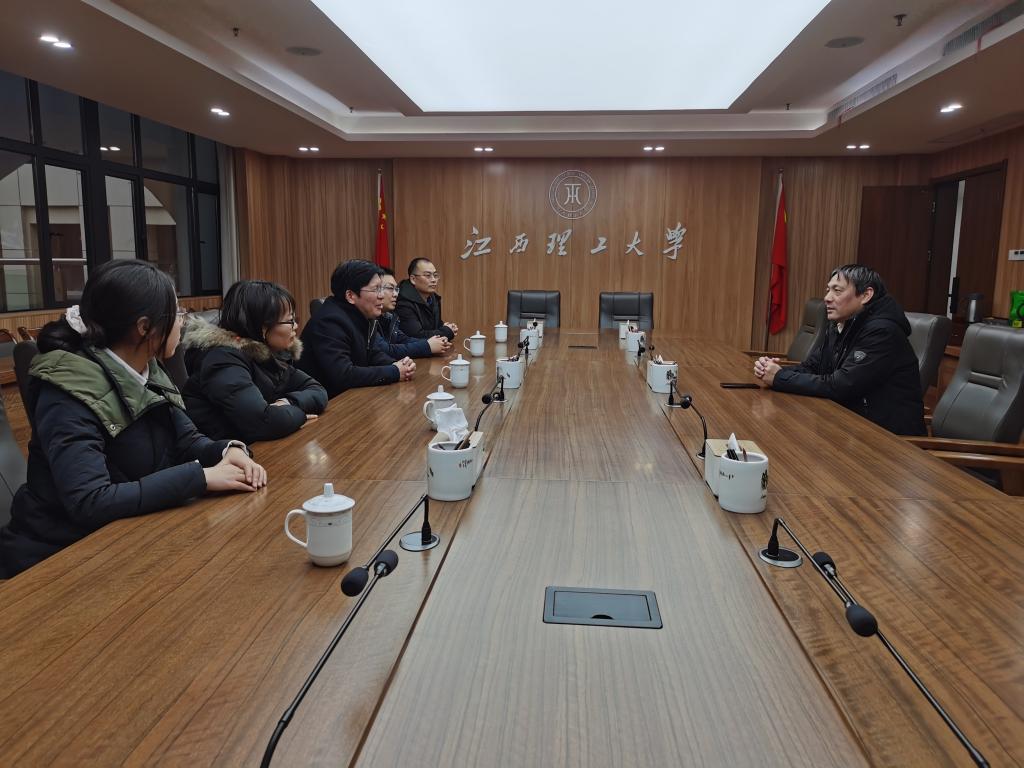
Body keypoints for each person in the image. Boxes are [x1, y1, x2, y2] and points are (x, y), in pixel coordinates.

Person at [0, 260, 266, 579]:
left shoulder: (146, 367)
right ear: (144, 327)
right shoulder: (67, 390)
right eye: (177, 313)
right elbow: (90, 500)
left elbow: (188, 441)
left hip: (131, 541)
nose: (183, 322)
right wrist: (200, 478)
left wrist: (228, 450)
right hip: (58, 559)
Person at [753, 264, 926, 436]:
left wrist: (779, 377)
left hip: (887, 439)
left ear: (866, 295)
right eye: (828, 290)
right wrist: (774, 371)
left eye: (837, 291)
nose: (827, 298)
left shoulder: (882, 332)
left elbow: (841, 385)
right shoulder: (842, 324)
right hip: (850, 426)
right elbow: (812, 366)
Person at [181, 280, 327, 443]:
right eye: (290, 320)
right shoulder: (222, 360)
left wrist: (287, 402)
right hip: (224, 453)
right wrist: (301, 415)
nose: (296, 326)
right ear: (263, 328)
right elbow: (263, 423)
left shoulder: (271, 354)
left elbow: (317, 390)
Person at [298, 260, 416, 398]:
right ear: (350, 296)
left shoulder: (362, 315)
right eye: (376, 289)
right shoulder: (329, 322)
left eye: (382, 289)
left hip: (351, 396)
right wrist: (394, 372)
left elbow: (372, 354)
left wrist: (398, 365)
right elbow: (344, 374)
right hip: (328, 403)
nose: (382, 295)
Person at [375, 268, 451, 360]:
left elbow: (402, 339)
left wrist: (434, 342)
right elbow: (386, 350)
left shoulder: (388, 316)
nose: (395, 294)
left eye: (396, 289)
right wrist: (428, 346)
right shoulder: (403, 303)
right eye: (390, 288)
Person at [396, 258, 458, 340]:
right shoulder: (403, 302)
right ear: (413, 279)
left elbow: (433, 327)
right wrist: (446, 332)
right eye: (428, 275)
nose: (433, 280)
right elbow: (416, 335)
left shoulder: (434, 298)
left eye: (435, 275)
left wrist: (446, 327)